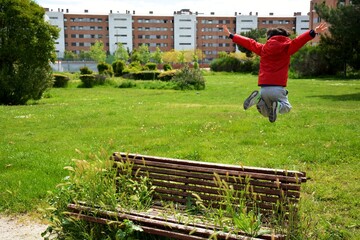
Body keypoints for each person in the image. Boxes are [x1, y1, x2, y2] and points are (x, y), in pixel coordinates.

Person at [222, 23, 327, 122]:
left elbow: (249, 43)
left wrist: (231, 35)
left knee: (267, 113)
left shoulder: (263, 49)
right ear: (284, 36)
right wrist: (313, 32)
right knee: (286, 107)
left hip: (263, 89)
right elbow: (299, 41)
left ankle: (258, 99)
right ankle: (278, 105)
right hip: (278, 88)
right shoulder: (288, 47)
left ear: (269, 38)